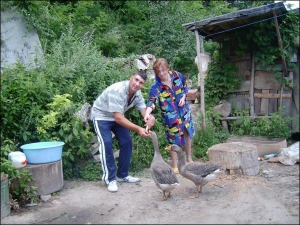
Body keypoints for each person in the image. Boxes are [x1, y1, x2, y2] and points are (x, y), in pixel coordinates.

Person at [90, 70, 155, 192]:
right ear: (131, 78)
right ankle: (109, 179)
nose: (137, 84)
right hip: (101, 116)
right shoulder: (118, 90)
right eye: (136, 80)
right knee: (107, 144)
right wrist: (138, 128)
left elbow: (143, 110)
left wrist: (149, 117)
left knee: (127, 141)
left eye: (141, 82)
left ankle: (122, 175)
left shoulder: (137, 93)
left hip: (116, 116)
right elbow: (119, 118)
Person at [144, 58, 195, 174]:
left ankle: (189, 158)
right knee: (173, 139)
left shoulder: (177, 76)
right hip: (170, 117)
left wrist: (183, 97)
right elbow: (151, 101)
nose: (161, 74)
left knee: (187, 132)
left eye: (163, 70)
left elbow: (185, 87)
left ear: (167, 68)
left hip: (184, 111)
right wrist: (147, 113)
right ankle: (175, 165)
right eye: (158, 72)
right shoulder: (156, 86)